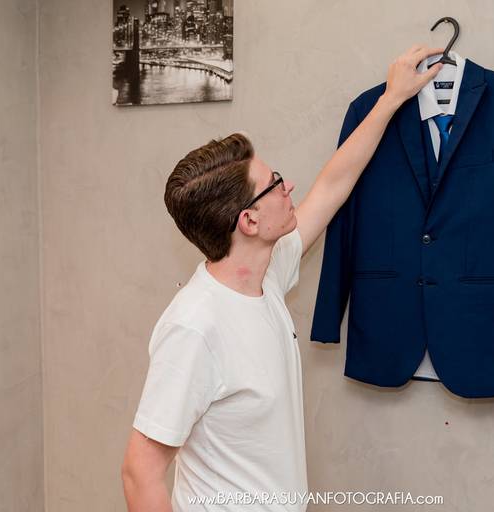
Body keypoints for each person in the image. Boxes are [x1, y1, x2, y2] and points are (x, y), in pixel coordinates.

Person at [120, 45, 446, 512]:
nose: (289, 185)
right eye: (274, 182)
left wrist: (391, 98)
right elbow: (140, 474)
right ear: (249, 221)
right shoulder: (194, 327)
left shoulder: (266, 275)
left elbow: (332, 186)